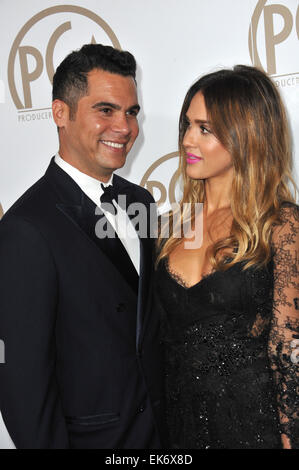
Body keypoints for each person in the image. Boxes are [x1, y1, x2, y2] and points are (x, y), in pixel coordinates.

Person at [0, 44, 163, 449]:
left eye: (131, 112)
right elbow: (22, 385)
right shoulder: (26, 227)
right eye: (105, 110)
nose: (124, 127)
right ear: (60, 113)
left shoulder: (140, 201)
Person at [155, 65, 299, 449]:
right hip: (178, 431)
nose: (187, 139)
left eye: (205, 129)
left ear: (246, 136)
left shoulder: (281, 225)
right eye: (187, 125)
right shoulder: (169, 228)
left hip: (255, 429)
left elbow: (288, 350)